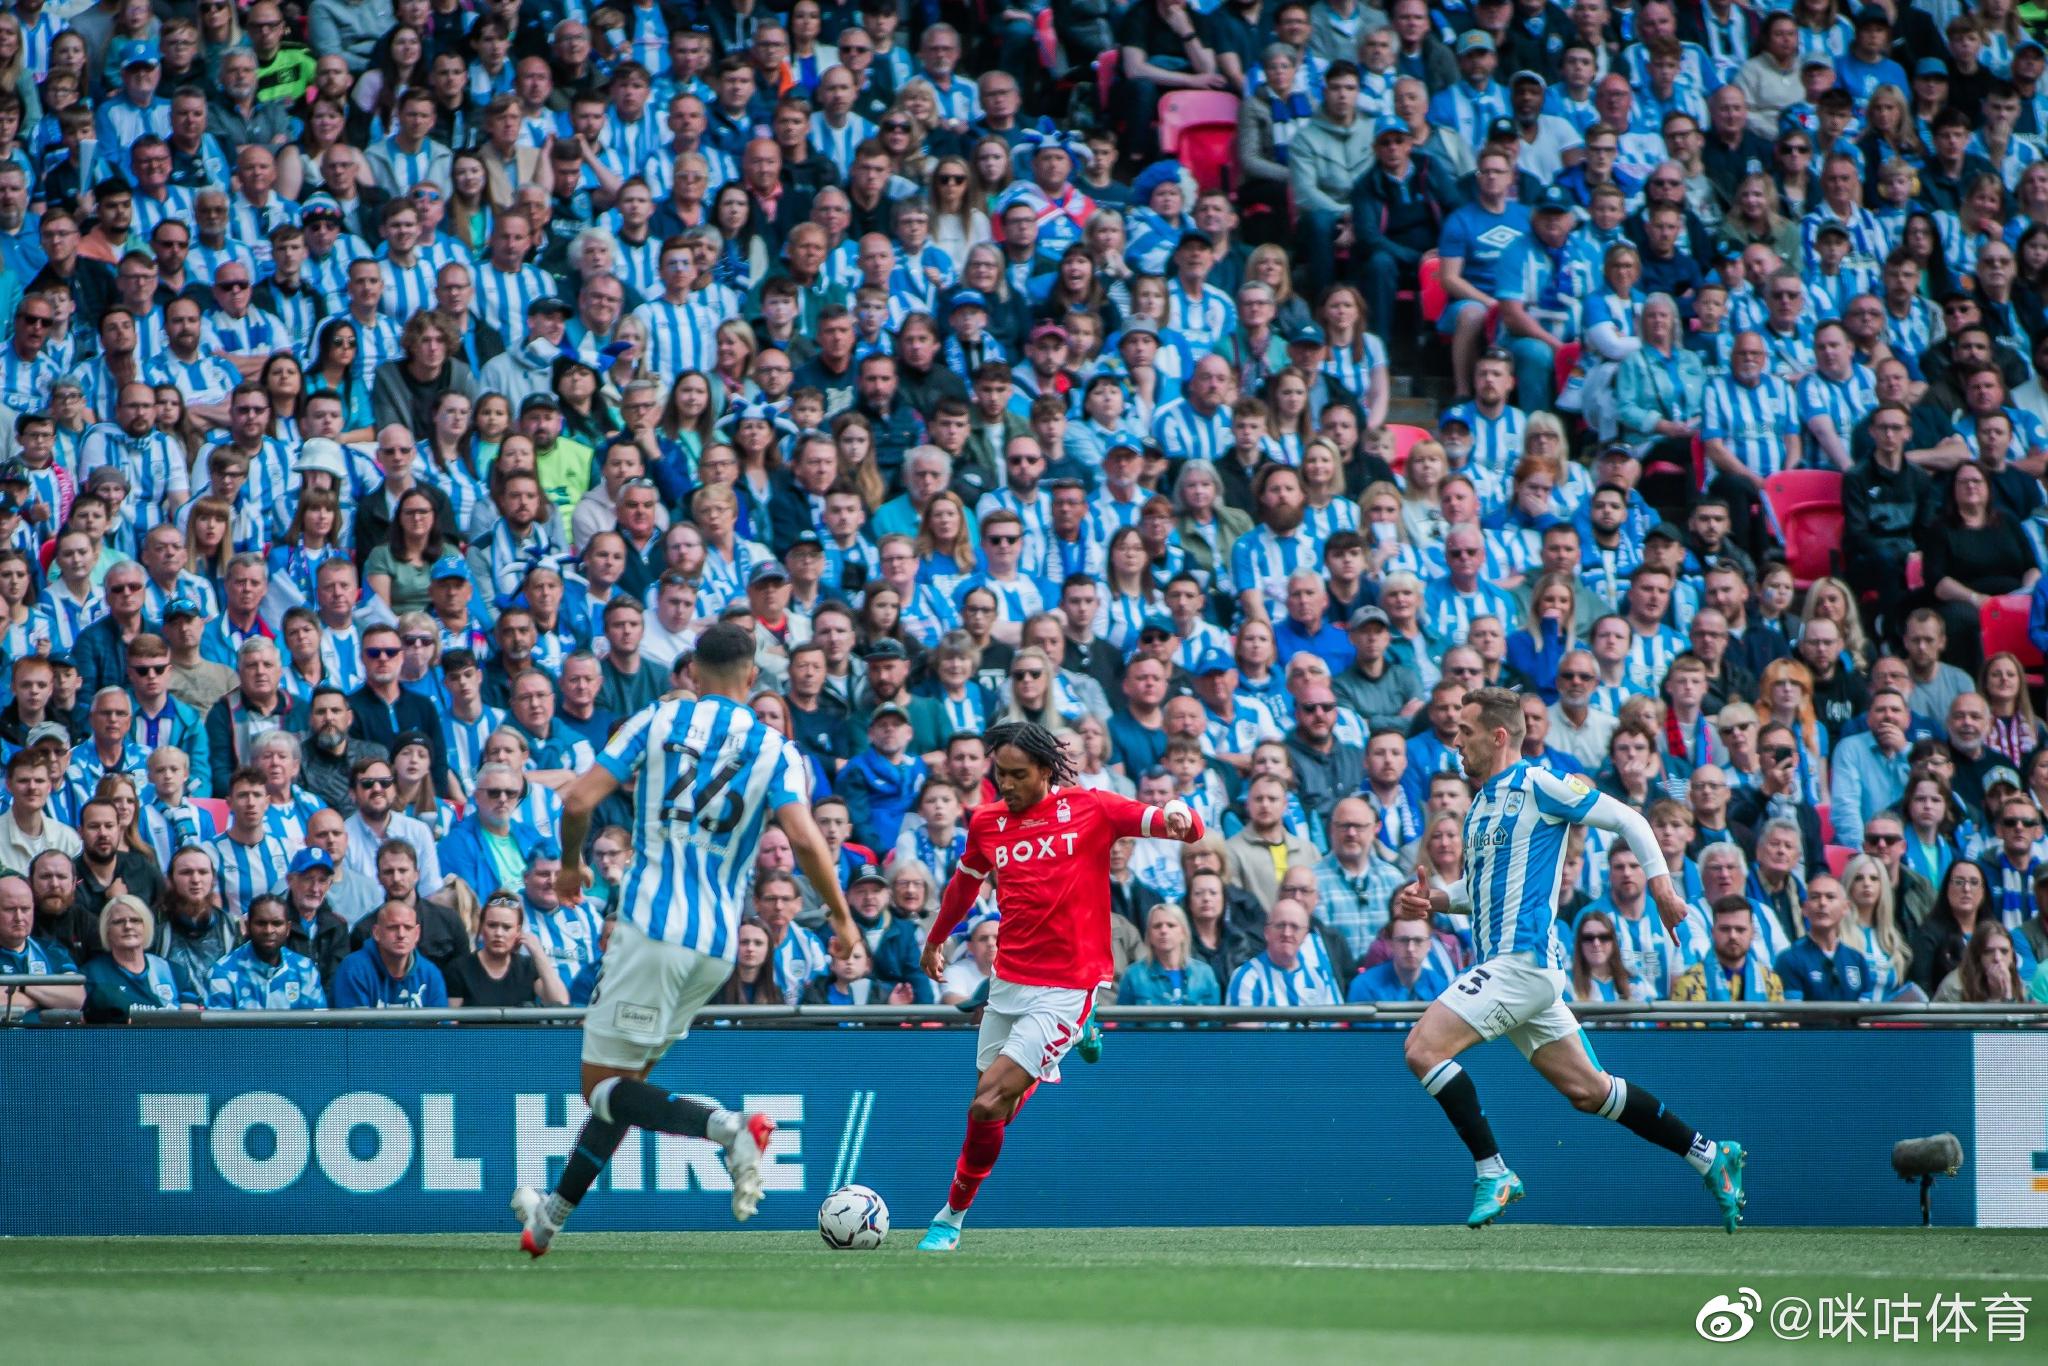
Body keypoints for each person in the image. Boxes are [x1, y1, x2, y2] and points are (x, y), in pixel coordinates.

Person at [510, 622, 858, 1257]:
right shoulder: (778, 749)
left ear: (692, 672)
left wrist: (570, 866)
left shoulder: (657, 720)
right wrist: (840, 917)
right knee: (627, 1090)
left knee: (599, 1089)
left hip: (651, 931)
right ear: (753, 677)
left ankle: (729, 1128)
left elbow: (578, 801)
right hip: (715, 946)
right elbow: (806, 840)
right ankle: (550, 1218)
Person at [1393, 687, 1746, 1230]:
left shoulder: (1540, 784)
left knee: (1422, 1048)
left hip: (1521, 963)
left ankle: (1494, 1171)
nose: (1455, 742)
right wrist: (1435, 900)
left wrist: (1661, 887)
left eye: (1465, 732)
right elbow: (1481, 891)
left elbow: (1630, 819)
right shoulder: (1480, 805)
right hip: (1514, 972)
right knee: (1590, 1091)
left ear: (1499, 736)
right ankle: (1709, 1155)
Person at [912, 718, 1205, 1252]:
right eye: (1000, 774)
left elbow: (1181, 827)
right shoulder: (987, 822)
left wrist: (1182, 815)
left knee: (986, 1104)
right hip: (1008, 982)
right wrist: (935, 940)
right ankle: (1070, 1040)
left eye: (1018, 775)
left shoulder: (1092, 808)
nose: (1006, 785)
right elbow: (963, 884)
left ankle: (950, 1217)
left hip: (1069, 986)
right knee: (994, 1105)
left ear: (1047, 770)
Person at [445, 891, 571, 1007]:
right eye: (492, 925)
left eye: (506, 927)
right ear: (482, 927)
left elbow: (561, 1002)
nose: (498, 933)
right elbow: (451, 1020)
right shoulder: (459, 968)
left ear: (518, 931)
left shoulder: (527, 967)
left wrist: (539, 954)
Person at [204, 893, 328, 1010]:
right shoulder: (222, 973)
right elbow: (220, 1026)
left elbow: (318, 1023)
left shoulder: (305, 969)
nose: (268, 930)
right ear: (247, 926)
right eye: (261, 923)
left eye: (277, 923)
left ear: (288, 928)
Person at [329, 900, 450, 1008]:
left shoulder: (430, 974)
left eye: (408, 927)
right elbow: (354, 1025)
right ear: (376, 933)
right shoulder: (353, 969)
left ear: (417, 934)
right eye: (393, 927)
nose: (401, 934)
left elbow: (442, 1025)